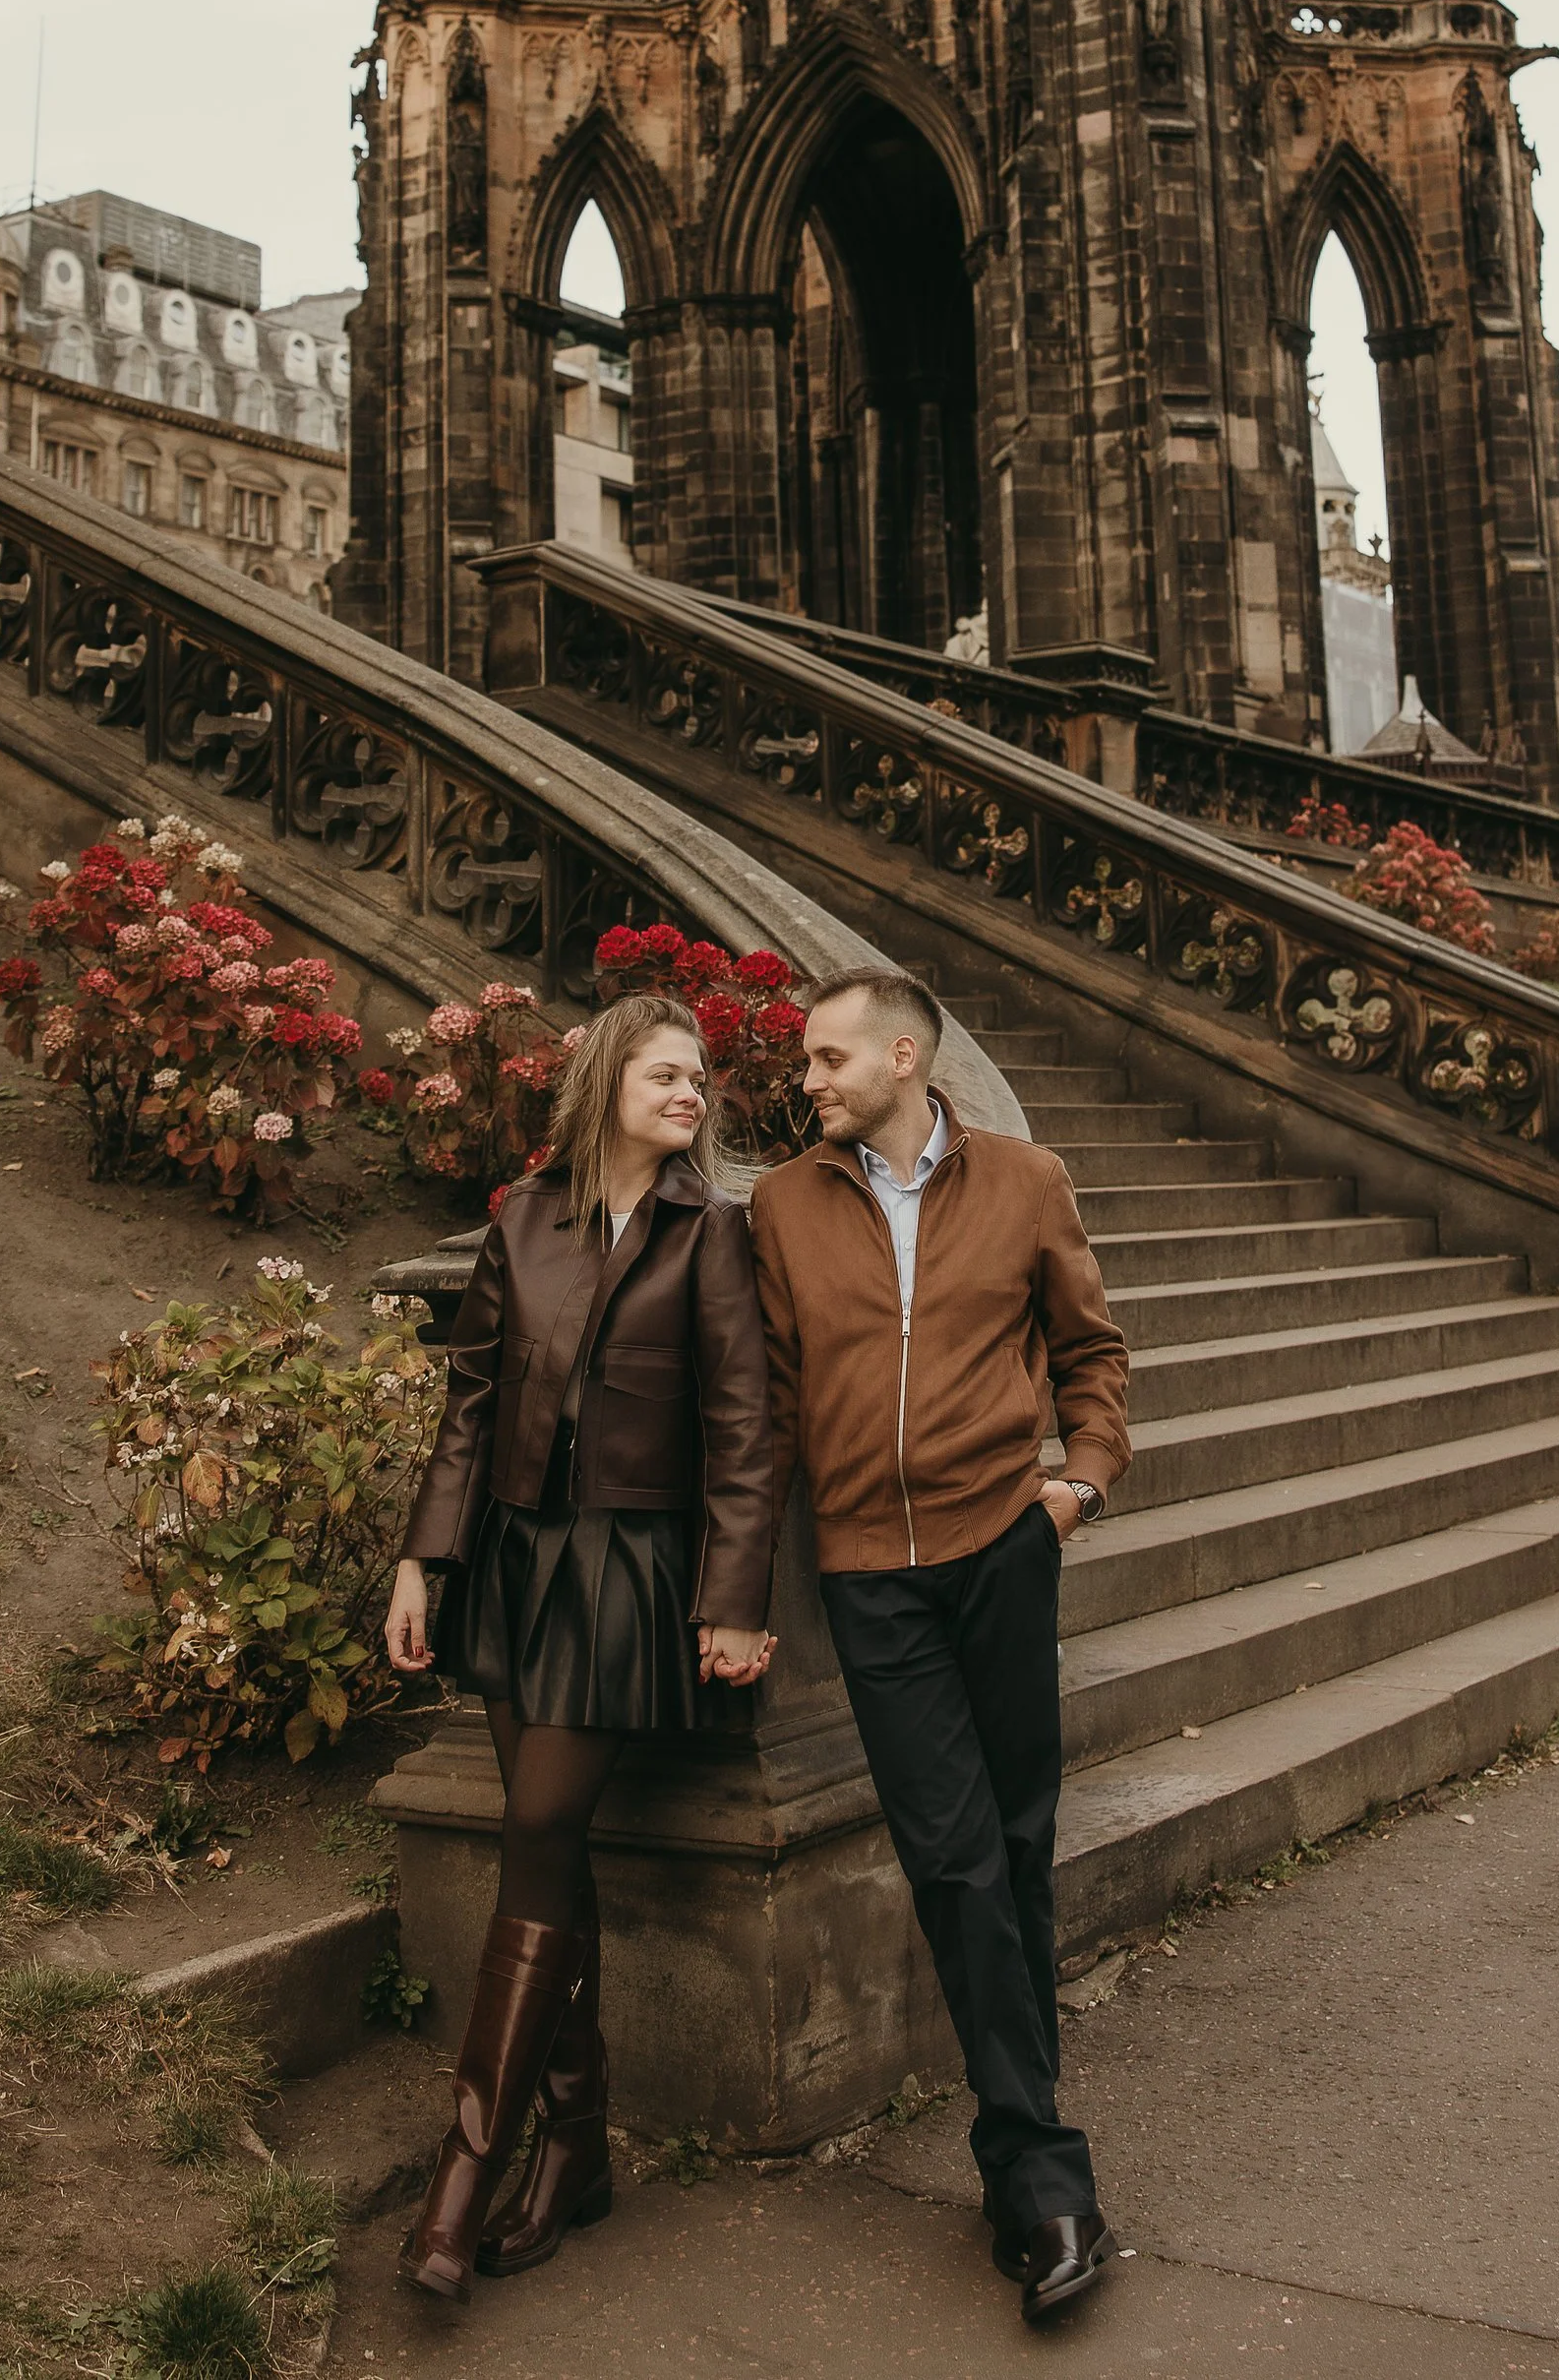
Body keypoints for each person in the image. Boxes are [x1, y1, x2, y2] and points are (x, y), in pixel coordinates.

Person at [752, 967, 1131, 2327]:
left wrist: (1080, 1480)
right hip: (869, 1574)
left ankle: (1017, 2148)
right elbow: (772, 1411)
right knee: (955, 1854)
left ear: (905, 1054)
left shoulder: (1028, 1178)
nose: (810, 1075)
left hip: (1002, 1547)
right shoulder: (784, 1205)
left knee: (1018, 1842)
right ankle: (1043, 2175)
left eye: (829, 1054)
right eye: (808, 1059)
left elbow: (1092, 1349)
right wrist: (740, 1584)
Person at [384, 994, 777, 2298]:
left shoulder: (710, 1233)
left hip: (626, 1571)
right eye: (669, 1072)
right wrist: (421, 1558)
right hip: (512, 1561)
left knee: (541, 1829)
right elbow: (471, 1403)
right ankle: (579, 2147)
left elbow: (740, 1426)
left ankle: (464, 2174)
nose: (694, 1092)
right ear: (609, 1082)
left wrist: (732, 1597)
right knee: (555, 1851)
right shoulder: (521, 1222)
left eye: (702, 1078)